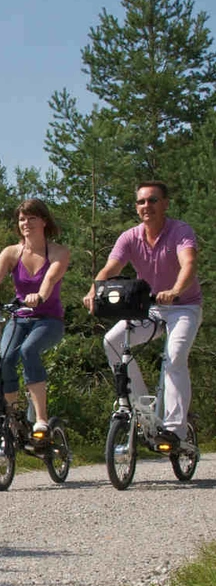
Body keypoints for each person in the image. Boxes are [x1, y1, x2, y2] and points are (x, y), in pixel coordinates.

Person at [81, 180, 202, 444]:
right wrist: (94, 290)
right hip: (150, 308)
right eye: (141, 201)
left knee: (175, 356)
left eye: (153, 200)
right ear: (137, 207)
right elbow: (110, 268)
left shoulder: (180, 231)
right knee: (112, 343)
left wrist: (175, 290)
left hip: (183, 307)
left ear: (165, 204)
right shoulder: (130, 237)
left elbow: (189, 263)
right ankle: (143, 411)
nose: (147, 206)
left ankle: (175, 429)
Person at [0, 199, 70, 433]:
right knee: (5, 359)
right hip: (19, 318)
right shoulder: (11, 253)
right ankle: (13, 416)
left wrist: (38, 296)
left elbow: (49, 280)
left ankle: (41, 419)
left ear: (44, 221)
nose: (26, 223)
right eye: (22, 219)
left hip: (48, 320)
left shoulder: (59, 252)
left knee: (29, 350)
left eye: (32, 218)